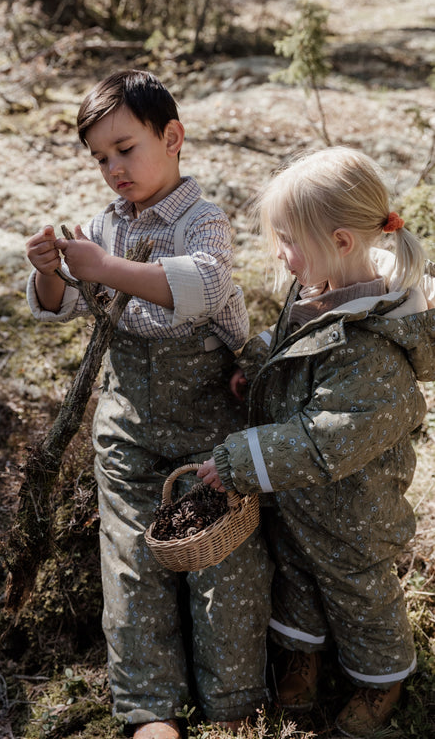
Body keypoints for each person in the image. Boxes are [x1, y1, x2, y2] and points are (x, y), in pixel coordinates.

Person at [25, 69, 273, 739]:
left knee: (222, 560)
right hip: (126, 427)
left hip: (209, 430)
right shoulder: (103, 228)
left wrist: (103, 269)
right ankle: (149, 710)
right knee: (132, 563)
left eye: (125, 148)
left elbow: (201, 286)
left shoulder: (203, 219)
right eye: (99, 157)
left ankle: (232, 704)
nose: (113, 168)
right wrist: (53, 272)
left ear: (172, 137)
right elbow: (64, 307)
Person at [196, 146, 435, 737]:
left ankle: (383, 681)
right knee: (296, 571)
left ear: (341, 240)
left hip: (354, 508)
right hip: (302, 498)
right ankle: (305, 653)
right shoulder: (317, 289)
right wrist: (256, 362)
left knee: (361, 596)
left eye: (287, 238)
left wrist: (239, 460)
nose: (279, 252)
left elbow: (325, 439)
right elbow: (290, 352)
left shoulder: (374, 348)